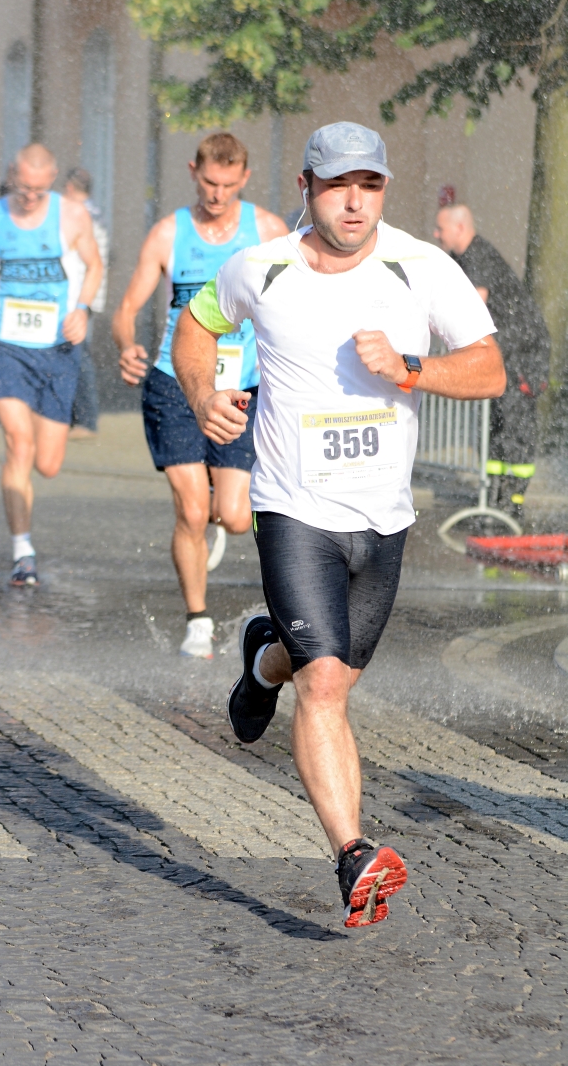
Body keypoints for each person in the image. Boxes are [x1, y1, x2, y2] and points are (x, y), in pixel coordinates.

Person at [172, 121, 505, 927]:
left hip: (382, 519)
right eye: (336, 186)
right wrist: (202, 395)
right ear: (306, 188)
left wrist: (411, 366)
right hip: (293, 508)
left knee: (327, 673)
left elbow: (489, 368)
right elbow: (195, 327)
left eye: (369, 185)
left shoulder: (421, 266)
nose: (353, 202)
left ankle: (262, 661)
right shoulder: (259, 268)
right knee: (324, 685)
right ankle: (352, 853)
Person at [112, 132, 288, 659]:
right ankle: (197, 620)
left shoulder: (268, 231)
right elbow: (127, 308)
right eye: (210, 182)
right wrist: (126, 345)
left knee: (233, 516)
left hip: (242, 387)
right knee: (191, 512)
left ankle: (215, 495)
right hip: (176, 381)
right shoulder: (169, 233)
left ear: (245, 178)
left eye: (229, 185)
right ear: (194, 172)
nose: (217, 194)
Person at [0, 144, 103, 586]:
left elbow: (94, 266)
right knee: (18, 442)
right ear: (12, 174)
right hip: (7, 345)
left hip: (57, 348)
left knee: (47, 463)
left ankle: (23, 542)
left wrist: (82, 308)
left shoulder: (71, 216)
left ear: (52, 181)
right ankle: (22, 550)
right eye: (23, 187)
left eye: (39, 190)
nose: (29, 197)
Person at [434, 203, 550, 518]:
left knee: (515, 425)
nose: (436, 234)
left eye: (441, 228)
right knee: (495, 425)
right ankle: (495, 498)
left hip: (523, 353)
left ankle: (512, 502)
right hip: (504, 349)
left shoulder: (478, 255)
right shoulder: (462, 258)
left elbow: (474, 305)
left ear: (459, 228)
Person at [63, 167, 109, 436]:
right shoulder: (94, 212)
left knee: (79, 355)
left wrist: (83, 302)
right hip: (86, 293)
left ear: (70, 188)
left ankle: (85, 419)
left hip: (80, 294)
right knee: (76, 353)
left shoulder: (81, 214)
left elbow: (86, 261)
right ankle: (74, 416)